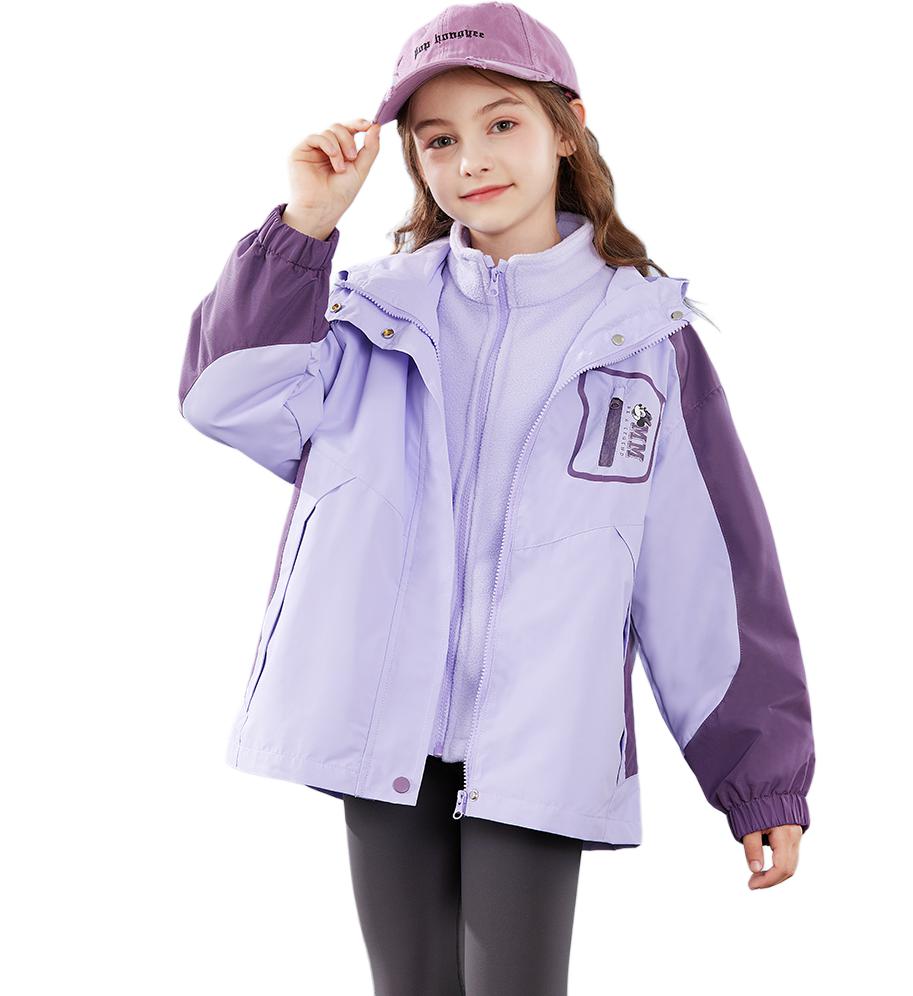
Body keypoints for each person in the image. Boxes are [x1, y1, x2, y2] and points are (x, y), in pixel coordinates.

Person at [178, 3, 816, 992]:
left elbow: (709, 578)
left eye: (503, 122)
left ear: (566, 128)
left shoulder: (644, 340)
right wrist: (306, 227)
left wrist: (759, 775)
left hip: (543, 734)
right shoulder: (367, 318)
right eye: (439, 139)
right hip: (381, 724)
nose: (471, 158)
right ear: (414, 161)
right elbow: (224, 396)